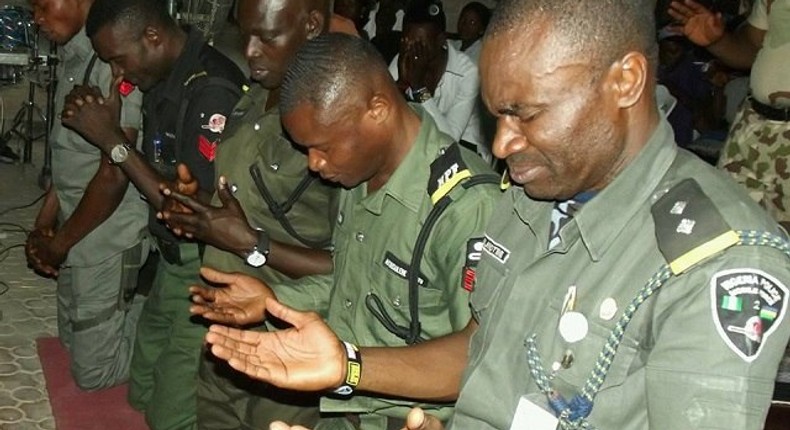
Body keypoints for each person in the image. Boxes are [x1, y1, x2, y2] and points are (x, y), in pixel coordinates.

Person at [201, 0, 790, 429]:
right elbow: (481, 347)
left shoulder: (721, 257)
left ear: (626, 82)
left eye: (524, 114)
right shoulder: (531, 199)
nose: (502, 144)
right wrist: (348, 366)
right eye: (494, 116)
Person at [188, 32, 500, 429]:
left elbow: (478, 356)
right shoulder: (359, 176)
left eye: (322, 147)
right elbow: (353, 283)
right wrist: (274, 302)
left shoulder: (465, 207)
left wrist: (349, 367)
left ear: (378, 109)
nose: (314, 164)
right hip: (341, 412)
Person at [155, 0, 343, 428]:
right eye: (245, 34)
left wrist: (250, 244)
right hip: (223, 336)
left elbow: (350, 264)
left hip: (284, 345)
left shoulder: (334, 127)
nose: (251, 50)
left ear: (311, 25)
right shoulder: (253, 97)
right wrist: (199, 205)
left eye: (268, 36)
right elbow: (246, 205)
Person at [59, 0, 246, 427]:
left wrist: (112, 141)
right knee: (140, 388)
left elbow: (191, 213)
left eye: (118, 60)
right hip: (171, 259)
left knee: (168, 417)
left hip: (208, 267)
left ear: (153, 37)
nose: (119, 74)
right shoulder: (161, 76)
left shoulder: (210, 89)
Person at [669, 0, 790, 404]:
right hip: (757, 127)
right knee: (726, 240)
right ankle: (723, 360)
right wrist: (720, 42)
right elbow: (752, 47)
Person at [25, 0, 147, 391]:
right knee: (69, 342)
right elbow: (68, 162)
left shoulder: (113, 57)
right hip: (77, 227)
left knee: (94, 374)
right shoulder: (76, 53)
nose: (37, 19)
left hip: (109, 234)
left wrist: (58, 245)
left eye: (44, 6)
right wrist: (43, 224)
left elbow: (114, 174)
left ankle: (172, 337)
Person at [390, 1, 490, 164]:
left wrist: (418, 89)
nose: (414, 49)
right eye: (408, 41)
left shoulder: (467, 72)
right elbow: (386, 119)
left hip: (466, 152)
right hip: (422, 144)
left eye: (421, 44)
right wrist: (401, 83)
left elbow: (449, 140)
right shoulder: (404, 58)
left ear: (441, 41)